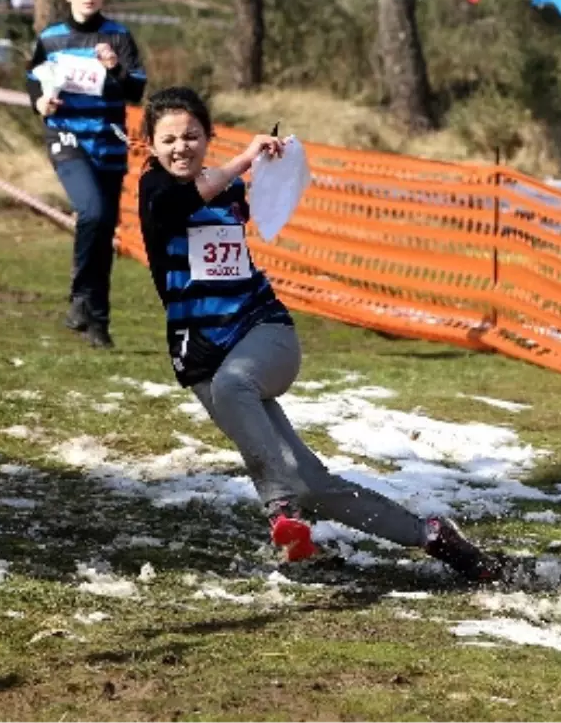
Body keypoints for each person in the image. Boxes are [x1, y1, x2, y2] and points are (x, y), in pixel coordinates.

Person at [136, 86, 505, 583]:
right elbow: (183, 202)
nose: (181, 146)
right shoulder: (154, 191)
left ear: (208, 136)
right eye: (169, 139)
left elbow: (268, 200)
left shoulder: (230, 189)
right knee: (313, 484)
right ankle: (434, 537)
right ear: (151, 147)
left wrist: (275, 164)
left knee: (239, 396)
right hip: (202, 355)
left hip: (262, 333)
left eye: (192, 135)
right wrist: (244, 158)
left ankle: (279, 512)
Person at [25, 0, 147, 349]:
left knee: (102, 230)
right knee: (91, 212)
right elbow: (33, 80)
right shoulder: (51, 38)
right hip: (67, 138)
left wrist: (115, 69)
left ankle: (97, 322)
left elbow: (135, 91)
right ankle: (80, 299)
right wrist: (40, 103)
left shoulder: (119, 37)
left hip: (109, 143)